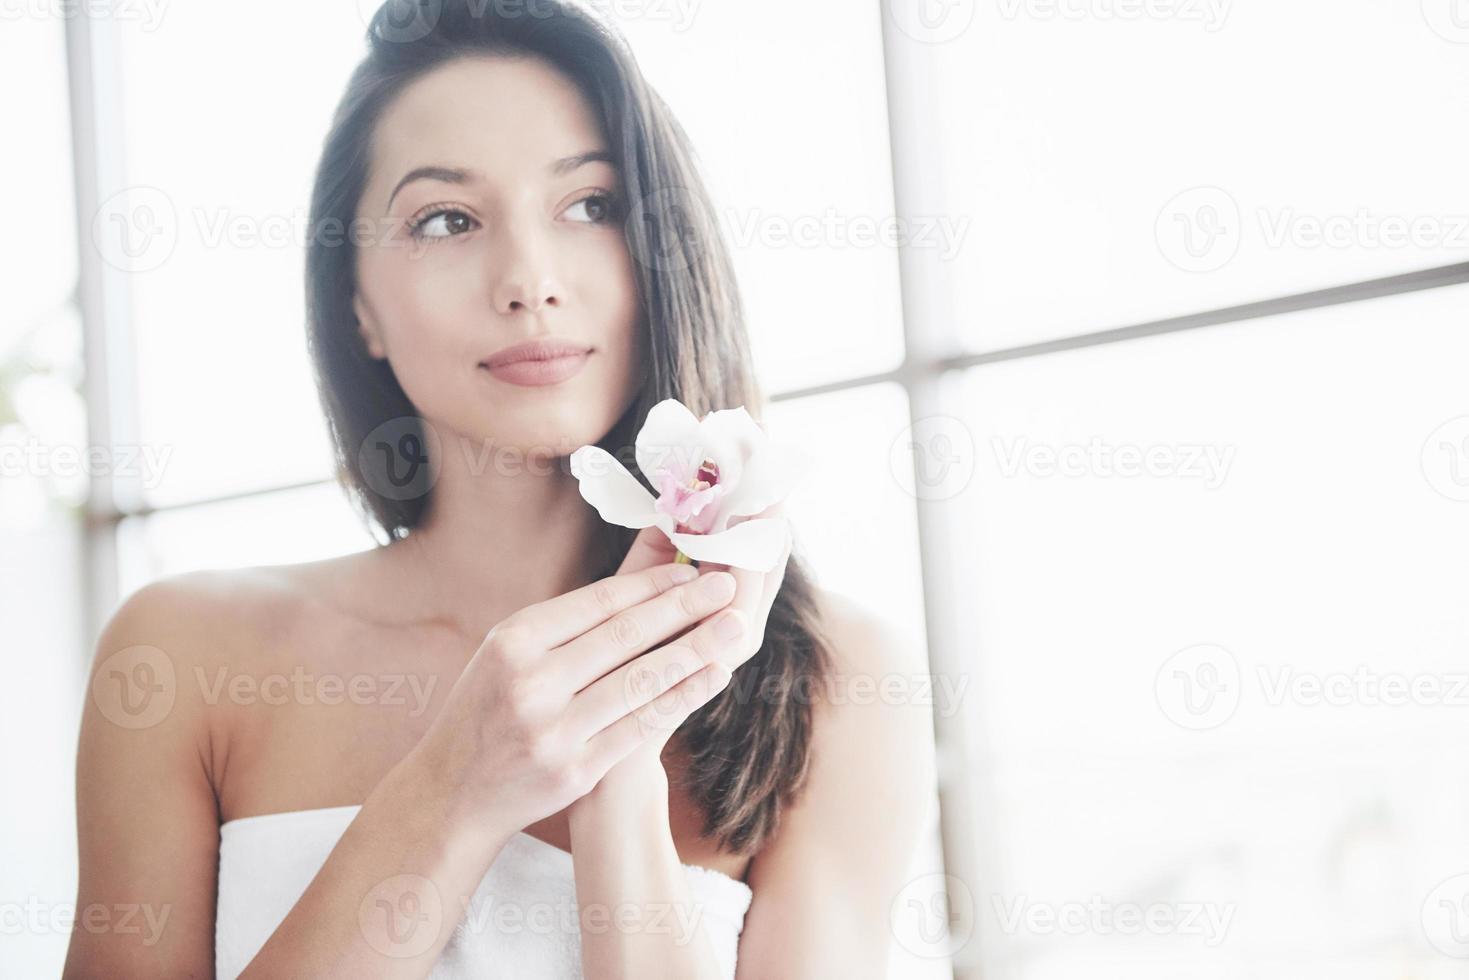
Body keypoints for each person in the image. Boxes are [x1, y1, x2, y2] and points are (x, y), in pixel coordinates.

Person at [63, 2, 934, 976]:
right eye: (445, 219)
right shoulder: (186, 652)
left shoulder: (834, 681)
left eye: (589, 204)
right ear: (357, 308)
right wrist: (452, 785)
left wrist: (614, 779)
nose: (527, 279)